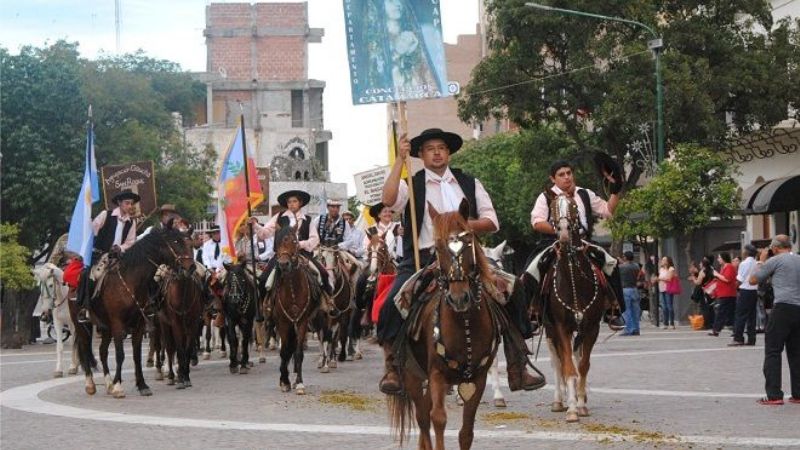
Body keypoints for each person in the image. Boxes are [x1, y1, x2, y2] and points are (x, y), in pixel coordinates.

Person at [376, 128, 545, 395]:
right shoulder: (412, 185)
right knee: (392, 303)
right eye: (430, 148)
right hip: (425, 257)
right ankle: (393, 367)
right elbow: (387, 199)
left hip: (468, 256)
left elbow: (492, 221)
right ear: (420, 154)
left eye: (441, 147)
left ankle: (518, 362)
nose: (436, 152)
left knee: (512, 288)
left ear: (449, 152)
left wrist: (460, 225)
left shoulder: (469, 183)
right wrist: (399, 160)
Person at [527, 158, 625, 330]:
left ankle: (614, 310)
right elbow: (537, 222)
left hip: (583, 241)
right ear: (553, 179)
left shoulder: (585, 194)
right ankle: (533, 312)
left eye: (569, 173)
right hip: (555, 241)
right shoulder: (546, 196)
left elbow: (607, 211)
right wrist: (560, 231)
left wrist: (615, 190)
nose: (567, 177)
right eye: (561, 174)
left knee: (611, 263)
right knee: (532, 268)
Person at [250, 190, 332, 297]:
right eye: (289, 202)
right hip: (281, 254)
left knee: (324, 273)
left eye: (294, 201)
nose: (292, 204)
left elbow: (315, 239)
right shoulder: (279, 217)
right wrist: (255, 225)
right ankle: (264, 305)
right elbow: (265, 233)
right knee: (263, 278)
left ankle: (327, 301)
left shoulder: (307, 219)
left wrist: (300, 244)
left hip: (302, 254)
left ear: (300, 203)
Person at [748, 235, 800, 405]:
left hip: (782, 308)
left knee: (772, 350)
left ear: (775, 248)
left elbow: (753, 279)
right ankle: (798, 393)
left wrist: (761, 261)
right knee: (796, 352)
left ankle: (774, 394)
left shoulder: (775, 260)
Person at [77, 189, 140, 322]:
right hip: (101, 254)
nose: (130, 206)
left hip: (119, 257)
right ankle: (85, 307)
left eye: (131, 204)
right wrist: (88, 220)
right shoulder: (106, 214)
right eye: (127, 203)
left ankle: (137, 310)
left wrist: (120, 248)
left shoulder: (131, 222)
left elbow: (130, 242)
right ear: (119, 203)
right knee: (87, 275)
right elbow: (92, 229)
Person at [730, 244, 759, 346]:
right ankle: (752, 338)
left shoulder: (744, 263)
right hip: (754, 291)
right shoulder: (756, 263)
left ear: (746, 252)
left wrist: (735, 287)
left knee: (740, 315)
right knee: (752, 315)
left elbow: (740, 279)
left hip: (745, 290)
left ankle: (738, 338)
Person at [709, 253, 737, 337]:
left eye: (719, 258)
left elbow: (727, 279)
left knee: (722, 312)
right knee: (729, 313)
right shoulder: (723, 267)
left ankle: (716, 330)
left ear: (724, 258)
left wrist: (717, 274)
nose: (718, 259)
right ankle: (734, 330)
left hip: (728, 293)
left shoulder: (729, 267)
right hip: (724, 293)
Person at [619, 251, 643, 336]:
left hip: (625, 289)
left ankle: (628, 329)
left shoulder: (621, 267)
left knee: (626, 311)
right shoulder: (636, 266)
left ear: (625, 257)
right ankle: (636, 329)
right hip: (634, 289)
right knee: (635, 311)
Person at [657, 256, 677, 330]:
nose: (662, 261)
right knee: (664, 307)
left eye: (664, 260)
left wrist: (659, 278)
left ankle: (671, 323)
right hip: (661, 289)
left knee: (669, 306)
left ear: (668, 261)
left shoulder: (671, 269)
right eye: (662, 259)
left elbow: (669, 278)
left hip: (668, 289)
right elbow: (661, 278)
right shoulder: (661, 269)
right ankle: (665, 323)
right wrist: (657, 279)